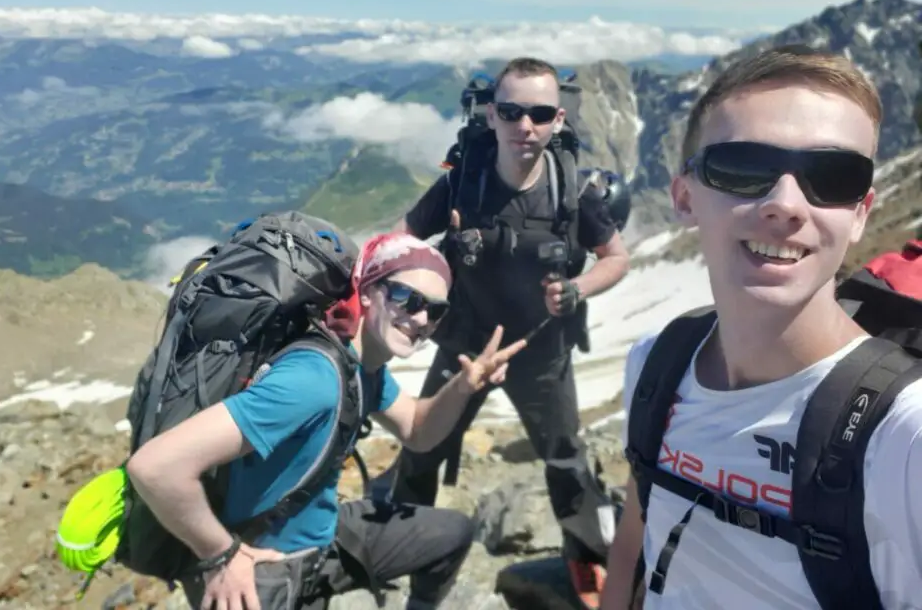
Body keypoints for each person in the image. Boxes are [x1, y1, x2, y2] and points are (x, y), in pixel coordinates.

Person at [601, 45, 922, 609]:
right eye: (744, 168)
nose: (786, 204)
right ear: (684, 197)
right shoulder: (656, 363)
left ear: (860, 214)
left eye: (834, 176)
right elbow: (636, 544)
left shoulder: (905, 436)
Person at [125, 232, 528, 610]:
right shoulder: (314, 379)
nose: (422, 318)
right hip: (264, 567)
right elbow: (155, 468)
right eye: (407, 297)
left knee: (451, 533)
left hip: (325, 542)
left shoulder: (365, 365)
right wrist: (221, 554)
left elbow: (417, 431)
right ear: (367, 291)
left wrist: (464, 386)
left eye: (435, 310)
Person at [386, 56, 632, 609]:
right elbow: (402, 238)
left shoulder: (575, 192)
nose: (525, 125)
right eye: (511, 112)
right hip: (466, 348)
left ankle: (586, 557)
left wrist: (578, 289)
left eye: (540, 114)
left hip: (542, 351)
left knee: (565, 458)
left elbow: (616, 258)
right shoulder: (461, 183)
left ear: (558, 119)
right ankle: (401, 550)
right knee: (422, 448)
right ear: (492, 115)